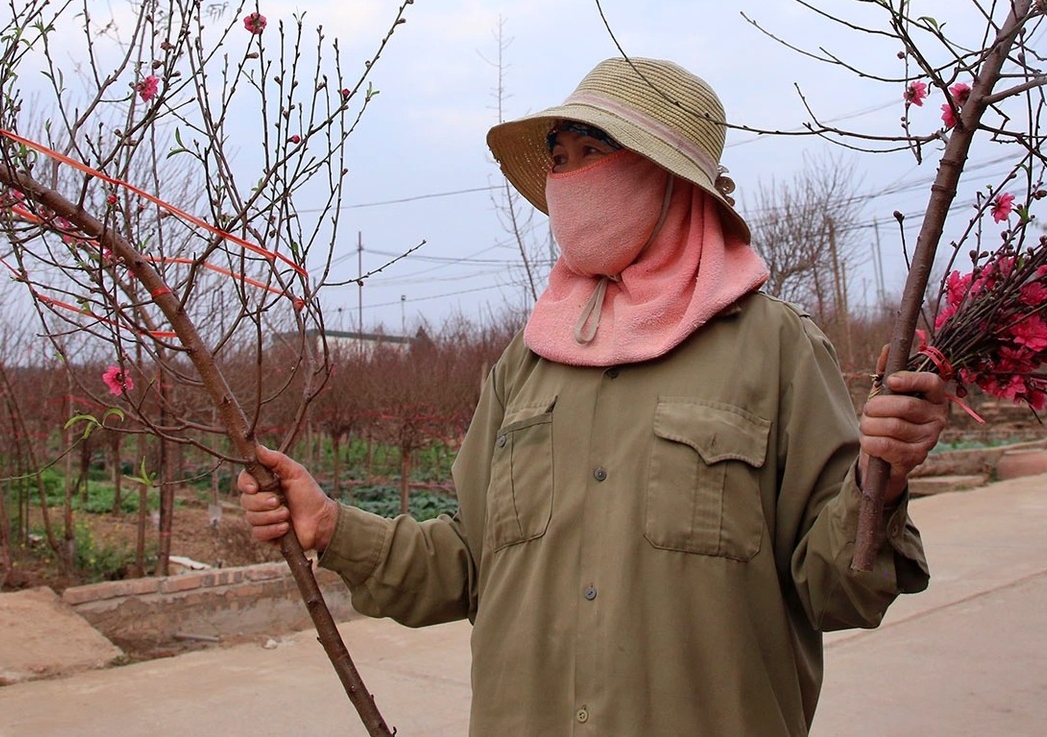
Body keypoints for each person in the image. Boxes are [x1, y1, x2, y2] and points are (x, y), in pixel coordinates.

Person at [242, 56, 950, 735]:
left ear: (670, 177)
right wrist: (330, 525)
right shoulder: (529, 360)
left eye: (594, 151)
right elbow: (467, 563)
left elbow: (840, 589)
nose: (570, 177)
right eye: (560, 157)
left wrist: (877, 481)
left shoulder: (776, 349)